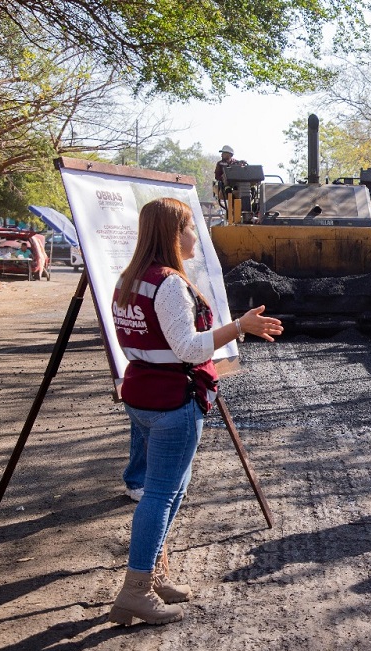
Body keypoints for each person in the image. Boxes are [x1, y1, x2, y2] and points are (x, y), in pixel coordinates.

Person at [108, 197, 283, 626]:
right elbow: (187, 347)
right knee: (162, 494)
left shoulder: (129, 280)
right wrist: (239, 327)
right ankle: (135, 590)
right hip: (173, 401)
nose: (193, 237)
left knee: (172, 489)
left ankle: (154, 574)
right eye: (188, 227)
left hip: (143, 396)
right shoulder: (168, 283)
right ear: (171, 232)